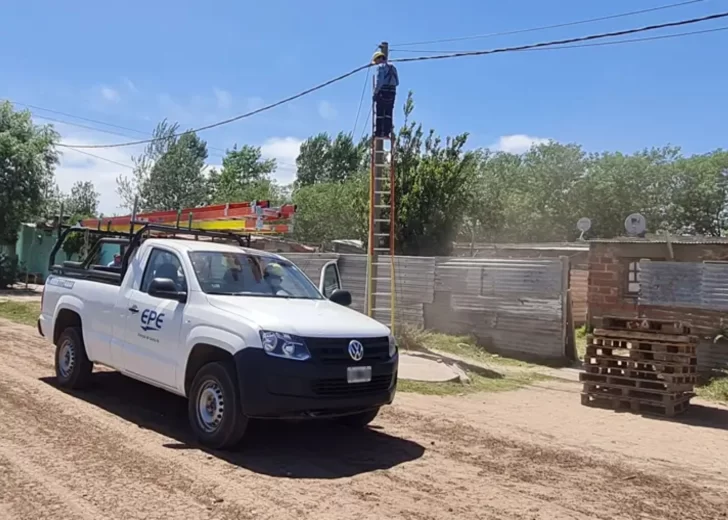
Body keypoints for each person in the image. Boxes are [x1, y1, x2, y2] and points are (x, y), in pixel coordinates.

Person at [372, 50, 399, 138]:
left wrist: (375, 93)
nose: (376, 63)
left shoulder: (381, 67)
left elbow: (380, 81)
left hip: (383, 92)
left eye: (376, 60)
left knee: (380, 113)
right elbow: (397, 82)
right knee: (388, 113)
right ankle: (387, 132)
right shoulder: (393, 67)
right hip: (392, 92)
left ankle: (379, 132)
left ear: (379, 58)